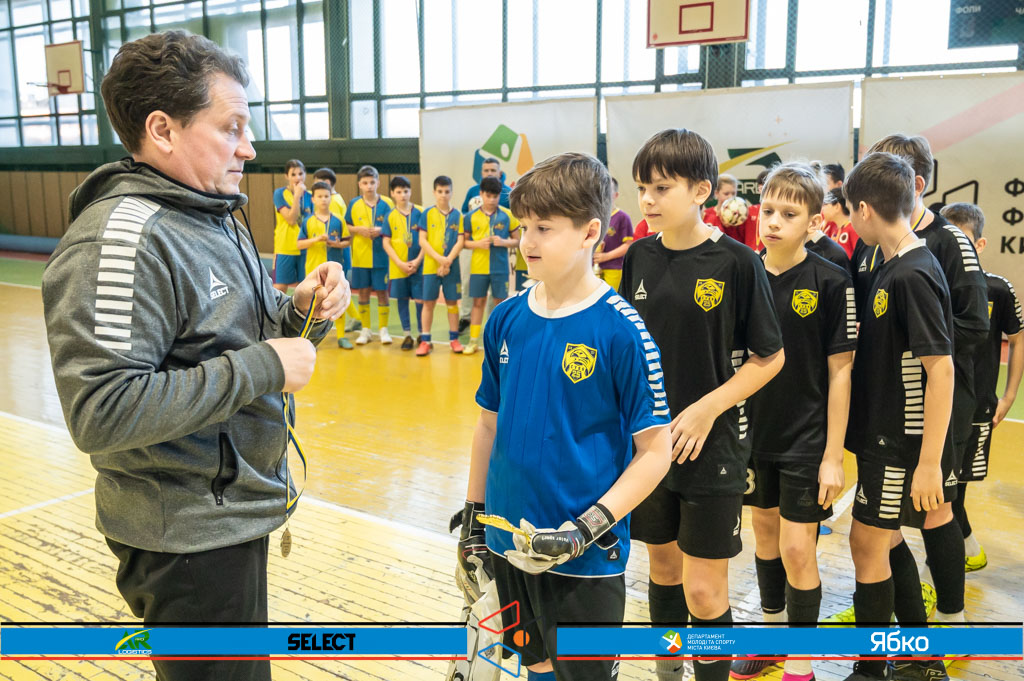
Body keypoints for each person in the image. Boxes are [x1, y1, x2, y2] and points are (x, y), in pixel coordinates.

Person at [40, 30, 350, 681]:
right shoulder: (121, 239)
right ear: (163, 130)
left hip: (228, 514)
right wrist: (267, 364)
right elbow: (101, 409)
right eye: (231, 127)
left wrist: (300, 313)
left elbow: (237, 337)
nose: (250, 147)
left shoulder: (211, 213)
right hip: (184, 539)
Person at [458, 151, 672, 681]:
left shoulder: (622, 331)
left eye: (544, 228)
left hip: (585, 558)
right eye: (523, 227)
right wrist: (474, 516)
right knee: (535, 666)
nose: (527, 241)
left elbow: (656, 451)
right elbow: (488, 425)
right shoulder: (506, 318)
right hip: (508, 544)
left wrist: (584, 530)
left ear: (589, 232)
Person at [622, 129, 784, 681]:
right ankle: (668, 673)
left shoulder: (738, 262)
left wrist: (705, 409)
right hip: (651, 446)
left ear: (701, 191)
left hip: (713, 448)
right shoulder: (639, 256)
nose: (647, 200)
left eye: (661, 188)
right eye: (642, 187)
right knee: (663, 572)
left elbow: (770, 357)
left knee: (705, 590)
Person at [732, 163, 856, 681]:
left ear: (814, 223)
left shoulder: (831, 280)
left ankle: (801, 662)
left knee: (798, 547)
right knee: (764, 537)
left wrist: (833, 455)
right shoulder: (742, 275)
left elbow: (841, 371)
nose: (774, 222)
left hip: (806, 439)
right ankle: (772, 637)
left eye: (789, 213)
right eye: (768, 211)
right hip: (751, 436)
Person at [867, 135, 989, 632]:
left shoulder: (947, 241)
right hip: (885, 408)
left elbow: (975, 326)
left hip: (939, 402)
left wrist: (916, 341)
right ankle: (904, 612)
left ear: (915, 183)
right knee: (882, 520)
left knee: (936, 508)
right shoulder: (873, 240)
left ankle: (952, 619)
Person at [840, 152, 954, 681]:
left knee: (867, 543)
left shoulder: (913, 273)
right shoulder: (892, 264)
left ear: (864, 209)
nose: (849, 222)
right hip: (881, 436)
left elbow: (941, 370)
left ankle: (871, 668)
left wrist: (929, 463)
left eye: (848, 211)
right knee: (884, 540)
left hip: (899, 442)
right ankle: (921, 656)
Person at [941, 202, 1023, 571]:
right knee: (939, 491)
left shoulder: (997, 289)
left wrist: (1009, 395)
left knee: (951, 493)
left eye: (964, 241)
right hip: (935, 403)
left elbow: (1018, 339)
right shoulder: (929, 282)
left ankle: (955, 560)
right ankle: (964, 552)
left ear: (981, 244)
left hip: (975, 408)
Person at [461, 176, 520, 355]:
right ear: (481, 194)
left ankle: (498, 342)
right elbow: (464, 243)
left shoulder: (507, 215)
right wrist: (477, 244)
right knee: (478, 302)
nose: (492, 200)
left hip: (500, 268)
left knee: (499, 304)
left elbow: (517, 241)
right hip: (478, 268)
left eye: (495, 196)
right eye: (488, 196)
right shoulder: (470, 216)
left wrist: (504, 242)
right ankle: (473, 341)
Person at [459, 157, 513, 332]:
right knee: (469, 283)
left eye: (493, 170)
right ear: (481, 173)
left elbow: (514, 218)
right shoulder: (473, 191)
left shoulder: (507, 193)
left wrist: (503, 240)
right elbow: (464, 213)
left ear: (499, 172)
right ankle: (466, 317)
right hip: (476, 248)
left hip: (497, 253)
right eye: (486, 170)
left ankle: (491, 322)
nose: (489, 173)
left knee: (496, 293)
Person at [346, 165, 395, 345]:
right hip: (361, 257)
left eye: (372, 182)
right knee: (363, 292)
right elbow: (347, 225)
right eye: (365, 183)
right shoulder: (354, 204)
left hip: (382, 257)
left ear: (378, 183)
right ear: (360, 184)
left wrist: (382, 230)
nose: (369, 186)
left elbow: (395, 226)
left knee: (382, 293)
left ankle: (383, 329)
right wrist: (358, 229)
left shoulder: (388, 203)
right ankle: (365, 329)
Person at [418, 175, 465, 355]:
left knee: (452, 302)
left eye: (446, 191)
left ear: (451, 192)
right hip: (431, 266)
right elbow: (422, 240)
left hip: (451, 267)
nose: (443, 195)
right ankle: (425, 340)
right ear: (434, 192)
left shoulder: (458, 215)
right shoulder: (427, 214)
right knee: (428, 303)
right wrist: (440, 259)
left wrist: (448, 261)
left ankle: (454, 339)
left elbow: (460, 241)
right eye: (440, 191)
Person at [313, 167, 358, 347]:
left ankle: (352, 320)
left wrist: (335, 243)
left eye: (319, 182)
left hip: (336, 252)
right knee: (335, 289)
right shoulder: (334, 201)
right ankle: (356, 317)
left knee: (336, 289)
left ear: (328, 183)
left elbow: (340, 232)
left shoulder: (334, 203)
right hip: (329, 253)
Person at [381, 175, 425, 351]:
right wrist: (399, 263)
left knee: (420, 300)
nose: (403, 195)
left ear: (410, 191)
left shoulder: (420, 212)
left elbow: (426, 239)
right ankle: (407, 334)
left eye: (406, 191)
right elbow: (386, 242)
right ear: (392, 193)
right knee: (402, 300)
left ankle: (422, 333)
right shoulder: (390, 216)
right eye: (398, 192)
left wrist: (418, 261)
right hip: (398, 267)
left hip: (419, 266)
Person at [273, 159, 313, 292]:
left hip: (306, 248)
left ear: (305, 174)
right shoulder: (279, 194)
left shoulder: (311, 196)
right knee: (279, 288)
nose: (298, 178)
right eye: (293, 174)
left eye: (300, 174)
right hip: (285, 247)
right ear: (287, 176)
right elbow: (291, 219)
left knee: (305, 289)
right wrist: (297, 196)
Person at [593, 177, 634, 293]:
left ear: (615, 195)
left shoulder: (623, 217)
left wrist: (606, 256)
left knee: (611, 298)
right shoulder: (593, 217)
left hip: (614, 267)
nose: (603, 193)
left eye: (607, 190)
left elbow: (628, 245)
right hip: (593, 268)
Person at [703, 173, 756, 248]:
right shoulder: (707, 215)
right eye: (726, 194)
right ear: (716, 193)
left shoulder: (742, 215)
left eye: (733, 193)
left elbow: (749, 242)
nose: (730, 197)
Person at [297, 181, 333, 276]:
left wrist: (335, 243)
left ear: (331, 198)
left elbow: (346, 242)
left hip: (333, 269)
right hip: (313, 268)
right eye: (319, 196)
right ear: (313, 199)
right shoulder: (307, 221)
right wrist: (317, 239)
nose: (323, 199)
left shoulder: (339, 220)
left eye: (326, 196)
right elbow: (299, 244)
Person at [822, 187, 860, 260]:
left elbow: (858, 256)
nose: (822, 208)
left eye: (825, 204)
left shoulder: (852, 229)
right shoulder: (834, 228)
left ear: (837, 207)